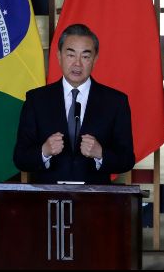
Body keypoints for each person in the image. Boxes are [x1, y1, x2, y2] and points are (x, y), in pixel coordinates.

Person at [13, 23, 135, 184]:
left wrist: (100, 154)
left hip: (96, 201)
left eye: (85, 56)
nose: (77, 64)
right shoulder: (36, 100)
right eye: (71, 55)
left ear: (95, 59)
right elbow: (20, 158)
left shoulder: (115, 102)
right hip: (48, 200)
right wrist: (44, 151)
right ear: (59, 56)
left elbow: (127, 159)